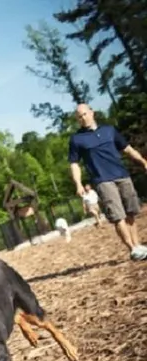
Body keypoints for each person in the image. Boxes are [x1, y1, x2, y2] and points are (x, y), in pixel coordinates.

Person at [68, 103, 147, 260]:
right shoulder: (76, 139)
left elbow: (127, 149)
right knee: (118, 216)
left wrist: (143, 162)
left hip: (122, 175)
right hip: (102, 180)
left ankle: (138, 245)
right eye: (79, 117)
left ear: (92, 112)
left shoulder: (109, 131)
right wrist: (78, 183)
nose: (83, 118)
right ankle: (132, 248)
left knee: (131, 212)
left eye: (84, 114)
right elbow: (74, 164)